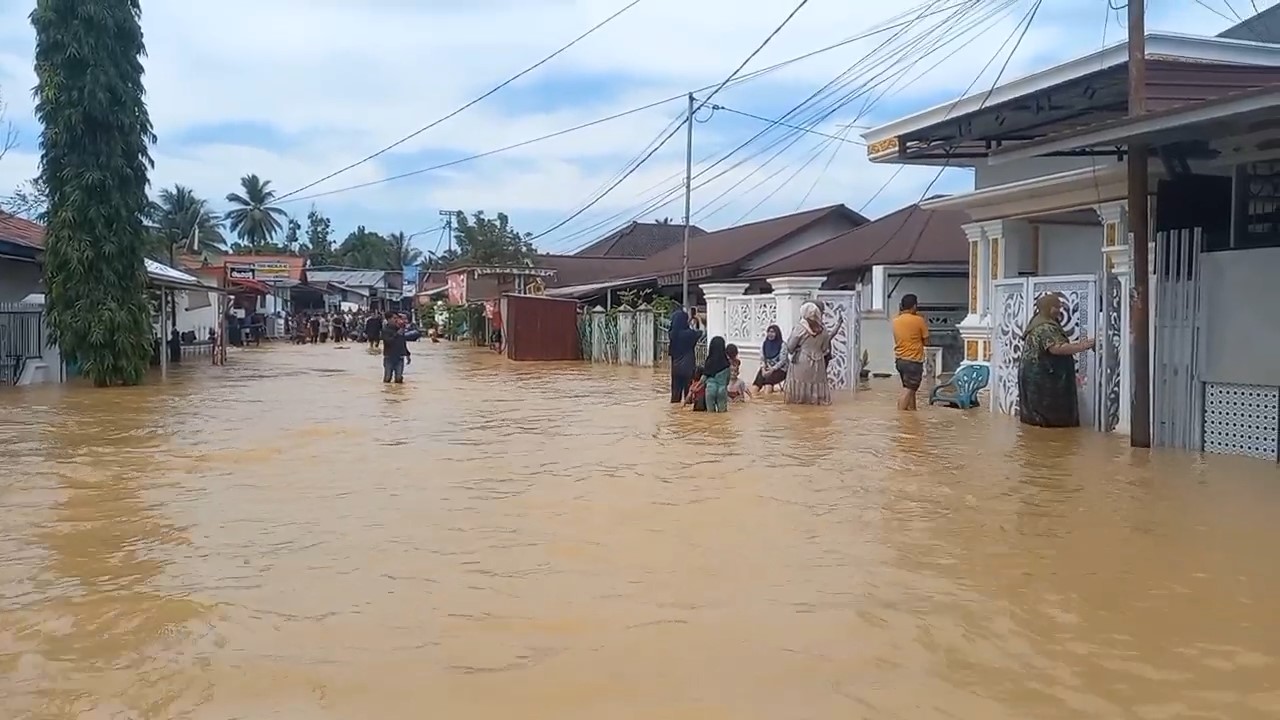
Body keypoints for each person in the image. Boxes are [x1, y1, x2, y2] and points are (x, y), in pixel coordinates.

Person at [1018, 293, 1094, 427]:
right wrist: (1084, 345)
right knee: (1049, 417)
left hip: (1035, 375)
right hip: (1044, 379)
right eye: (1055, 307)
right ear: (1047, 308)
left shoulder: (1038, 322)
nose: (1059, 310)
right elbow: (1056, 348)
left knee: (1037, 417)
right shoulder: (1045, 327)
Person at [785, 301, 842, 406]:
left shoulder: (800, 328)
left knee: (799, 387)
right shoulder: (823, 329)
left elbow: (790, 347)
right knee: (817, 385)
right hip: (818, 361)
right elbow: (825, 348)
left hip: (801, 360)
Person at [892, 293, 930, 411]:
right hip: (913, 360)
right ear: (914, 306)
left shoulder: (896, 320)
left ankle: (912, 414)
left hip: (900, 360)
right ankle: (901, 415)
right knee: (909, 389)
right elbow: (927, 341)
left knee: (910, 388)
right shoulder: (919, 320)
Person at [667, 309, 703, 403]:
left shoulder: (672, 334)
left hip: (675, 369)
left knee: (675, 396)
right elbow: (701, 332)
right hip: (688, 368)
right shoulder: (689, 334)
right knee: (689, 396)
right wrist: (698, 320)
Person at [752, 324, 788, 392]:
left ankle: (767, 399)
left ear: (777, 333)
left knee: (768, 384)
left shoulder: (783, 345)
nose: (770, 334)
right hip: (766, 369)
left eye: (772, 332)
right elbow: (762, 358)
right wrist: (763, 369)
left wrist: (772, 369)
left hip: (780, 370)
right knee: (757, 384)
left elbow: (782, 361)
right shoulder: (765, 344)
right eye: (769, 332)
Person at [703, 336, 732, 413]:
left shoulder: (709, 362)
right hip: (722, 390)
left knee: (711, 416)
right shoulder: (726, 364)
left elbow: (703, 378)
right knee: (722, 415)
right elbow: (728, 380)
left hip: (710, 390)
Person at [381, 312, 411, 384]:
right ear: (388, 319)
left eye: (397, 318)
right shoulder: (385, 330)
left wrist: (407, 354)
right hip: (389, 357)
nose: (396, 320)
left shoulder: (400, 329)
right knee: (387, 378)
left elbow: (402, 343)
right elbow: (388, 341)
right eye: (394, 318)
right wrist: (397, 334)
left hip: (399, 357)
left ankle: (397, 392)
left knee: (398, 378)